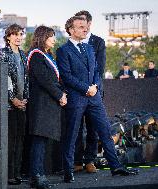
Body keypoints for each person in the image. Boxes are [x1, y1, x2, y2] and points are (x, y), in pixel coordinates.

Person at [56, 16, 138, 183]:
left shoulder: (89, 48)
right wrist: (86, 88)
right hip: (77, 99)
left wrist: (94, 86)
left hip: (94, 99)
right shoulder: (63, 51)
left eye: (86, 27)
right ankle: (68, 171)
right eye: (80, 27)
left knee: (106, 132)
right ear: (71, 30)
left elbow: (96, 71)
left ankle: (116, 167)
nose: (85, 29)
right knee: (71, 136)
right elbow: (66, 76)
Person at [28, 26, 67, 189]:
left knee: (42, 141)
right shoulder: (36, 55)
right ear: (43, 37)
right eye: (51, 37)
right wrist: (60, 95)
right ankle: (36, 175)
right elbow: (45, 80)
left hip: (48, 105)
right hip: (40, 105)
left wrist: (62, 92)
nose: (54, 40)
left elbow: (55, 79)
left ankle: (39, 174)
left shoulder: (48, 55)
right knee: (38, 140)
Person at [73, 10, 106, 173]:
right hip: (77, 93)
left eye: (83, 22)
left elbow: (99, 69)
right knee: (77, 128)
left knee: (93, 128)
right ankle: (77, 161)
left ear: (89, 23)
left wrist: (92, 88)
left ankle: (90, 160)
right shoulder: (71, 42)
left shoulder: (98, 42)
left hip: (94, 93)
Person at [0, 24, 28, 185]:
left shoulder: (23, 55)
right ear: (8, 37)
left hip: (22, 105)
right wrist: (13, 99)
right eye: (14, 34)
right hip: (9, 106)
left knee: (20, 140)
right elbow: (3, 80)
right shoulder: (3, 54)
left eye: (20, 34)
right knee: (11, 140)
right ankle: (9, 174)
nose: (18, 37)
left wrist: (25, 100)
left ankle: (17, 173)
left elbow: (26, 80)